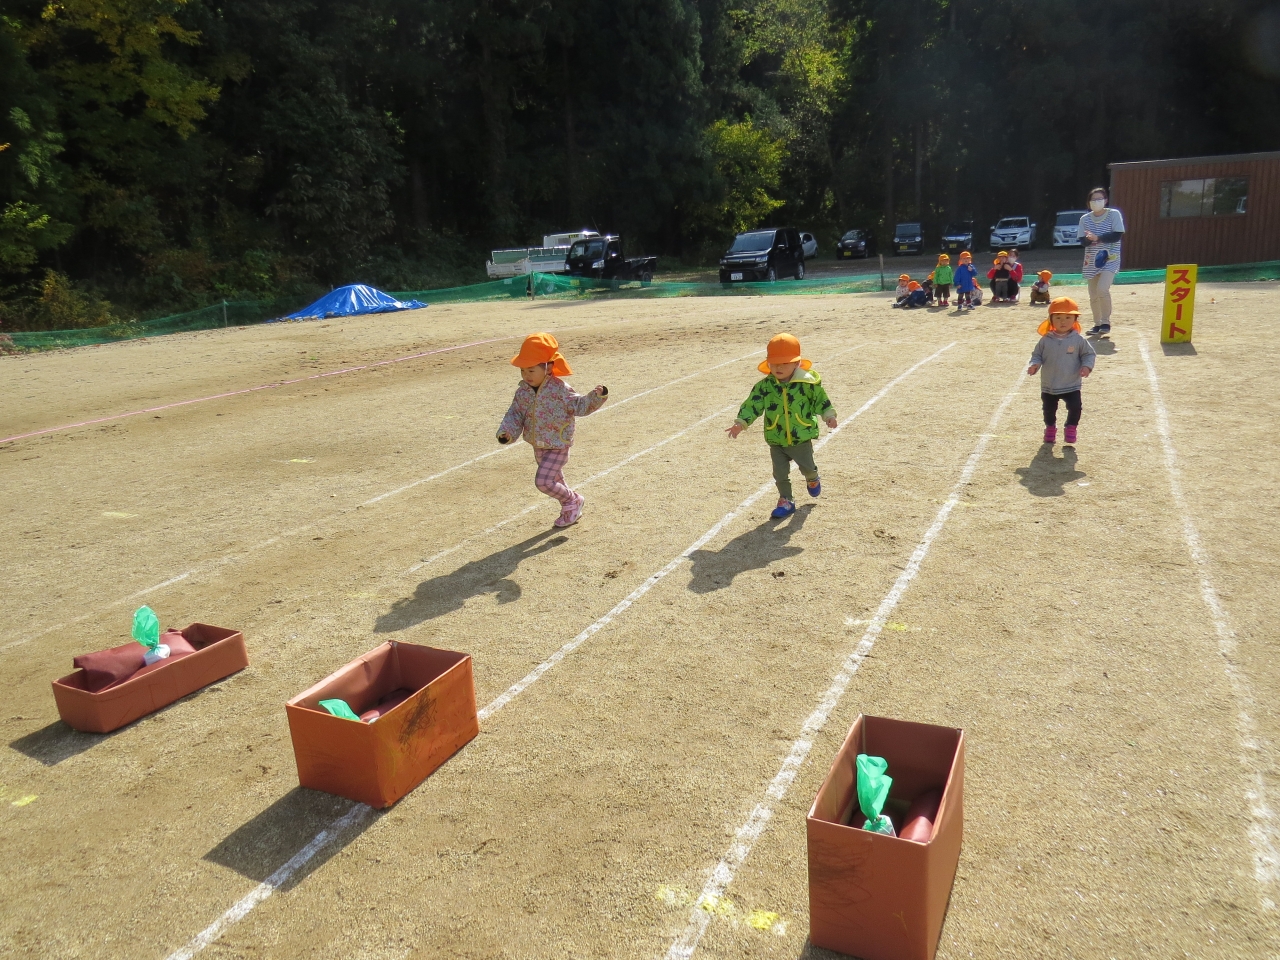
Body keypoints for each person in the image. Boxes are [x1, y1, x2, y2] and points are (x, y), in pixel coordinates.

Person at [497, 332, 608, 527]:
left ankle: (572, 500)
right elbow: (515, 413)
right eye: (523, 370)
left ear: (548, 368)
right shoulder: (523, 391)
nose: (526, 375)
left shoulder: (560, 389)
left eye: (531, 370)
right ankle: (570, 508)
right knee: (555, 480)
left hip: (558, 444)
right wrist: (507, 432)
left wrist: (596, 397)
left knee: (544, 482)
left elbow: (580, 405)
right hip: (538, 444)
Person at [727, 334, 837, 519]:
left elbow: (820, 400)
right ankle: (786, 500)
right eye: (774, 363)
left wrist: (829, 416)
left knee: (807, 468)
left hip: (800, 437)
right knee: (780, 473)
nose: (778, 367)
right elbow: (752, 405)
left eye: (785, 363)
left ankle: (812, 478)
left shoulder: (807, 384)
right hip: (776, 437)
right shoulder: (764, 387)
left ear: (797, 363)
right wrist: (741, 422)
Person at [1027, 297, 1096, 445]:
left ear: (1075, 320)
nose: (1063, 321)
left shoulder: (1078, 340)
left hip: (1071, 383)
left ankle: (1071, 427)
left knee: (1075, 407)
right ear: (1051, 319)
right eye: (1058, 318)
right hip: (1049, 385)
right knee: (1048, 410)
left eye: (1068, 318)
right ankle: (1050, 428)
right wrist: (1034, 364)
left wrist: (1086, 366)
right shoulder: (1046, 340)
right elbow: (1037, 354)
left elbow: (1088, 354)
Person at [1079, 186, 1125, 335]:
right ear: (1088, 203)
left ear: (1105, 200)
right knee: (1093, 294)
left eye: (1099, 199)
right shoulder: (1084, 219)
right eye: (1093, 200)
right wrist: (1088, 239)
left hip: (1110, 258)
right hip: (1091, 260)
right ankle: (1097, 324)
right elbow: (1083, 241)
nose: (1096, 202)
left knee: (1102, 289)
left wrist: (1098, 238)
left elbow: (1117, 235)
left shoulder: (1114, 214)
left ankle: (1105, 322)